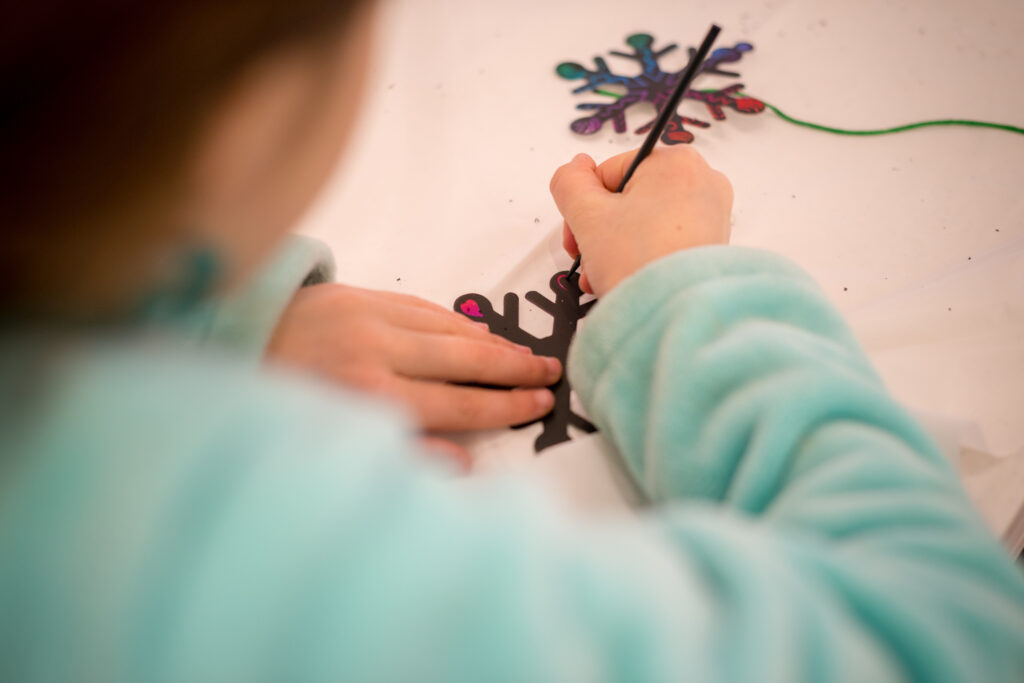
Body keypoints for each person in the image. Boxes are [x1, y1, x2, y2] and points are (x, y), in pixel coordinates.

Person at [1, 1, 1022, 681]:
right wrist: (690, 302)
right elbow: (941, 635)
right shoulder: (200, 545)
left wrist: (203, 311)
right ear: (238, 102)